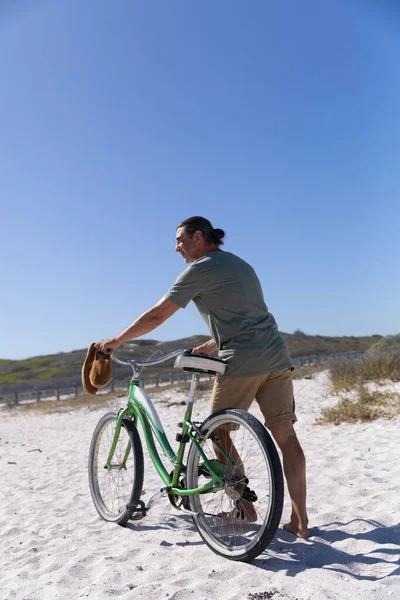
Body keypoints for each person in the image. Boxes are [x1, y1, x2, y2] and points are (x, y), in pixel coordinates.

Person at [94, 216, 309, 538]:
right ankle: (300, 521)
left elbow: (157, 314)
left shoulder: (200, 268)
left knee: (217, 434)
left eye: (180, 240)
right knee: (287, 438)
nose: (176, 247)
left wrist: (117, 340)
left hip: (242, 360)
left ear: (198, 236)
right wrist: (212, 344)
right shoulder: (240, 265)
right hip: (276, 356)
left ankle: (243, 508)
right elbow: (250, 315)